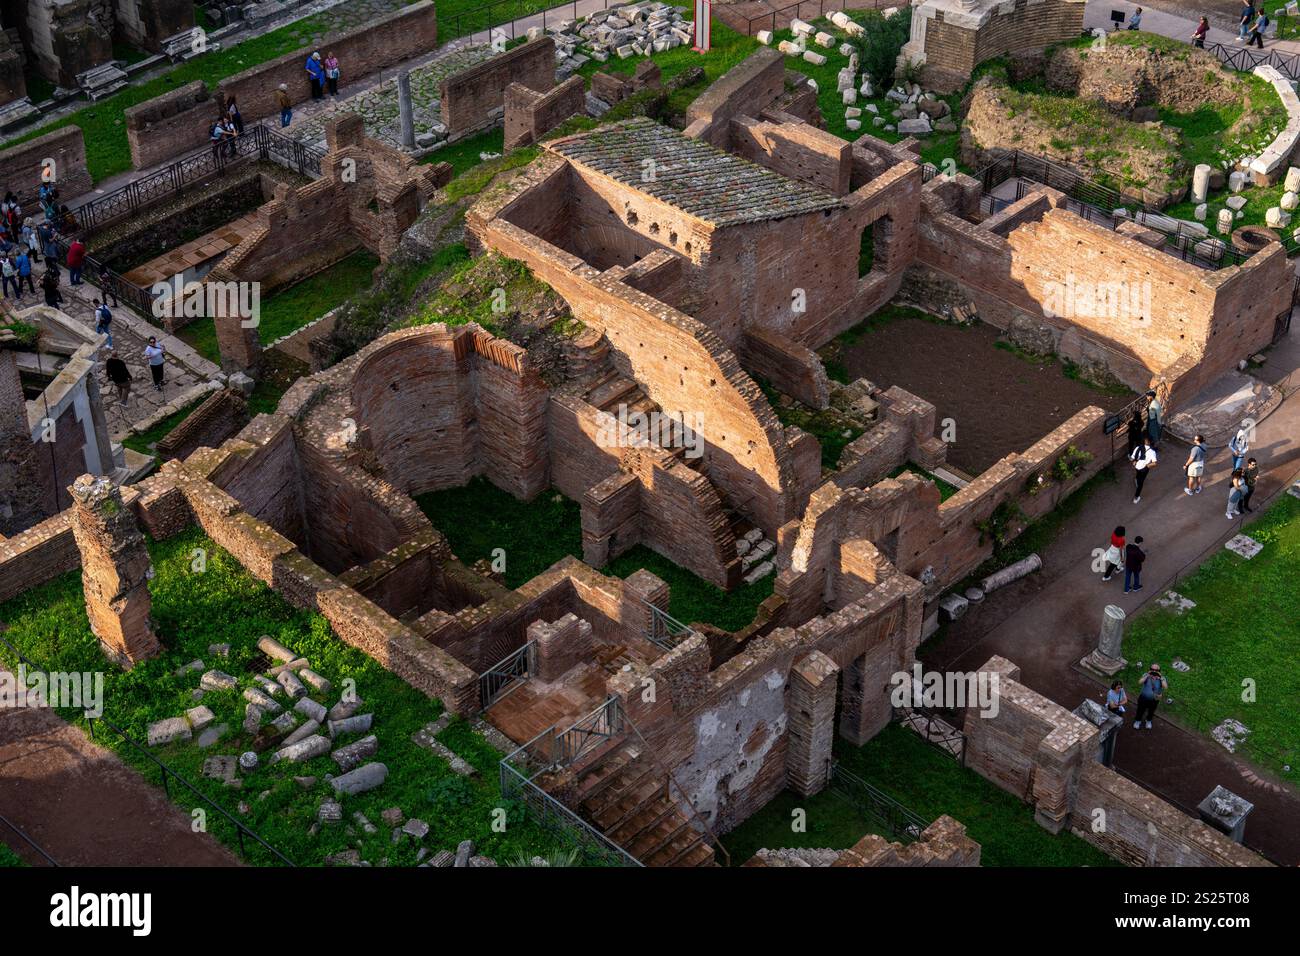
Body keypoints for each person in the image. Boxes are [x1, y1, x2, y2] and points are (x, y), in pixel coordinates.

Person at [1133, 663, 1167, 730]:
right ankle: (1138, 721)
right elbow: (1140, 682)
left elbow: (1165, 687)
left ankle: (1148, 721)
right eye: (1152, 669)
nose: (1154, 671)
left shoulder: (1162, 678)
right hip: (1143, 697)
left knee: (1151, 711)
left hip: (1154, 699)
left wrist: (1160, 678)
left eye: (1156, 670)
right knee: (1140, 710)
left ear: (1159, 671)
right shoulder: (1146, 675)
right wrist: (1147, 676)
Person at [1131, 434, 1157, 504]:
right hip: (1144, 469)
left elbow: (1132, 458)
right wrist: (1147, 466)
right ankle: (1136, 497)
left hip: (1136, 466)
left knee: (1138, 473)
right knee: (1141, 484)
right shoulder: (1152, 452)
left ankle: (1136, 480)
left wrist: (1134, 461)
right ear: (1150, 442)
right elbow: (1154, 463)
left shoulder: (1138, 447)